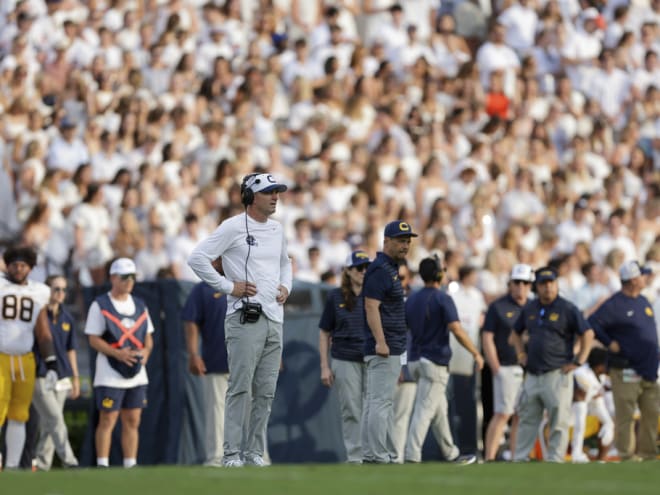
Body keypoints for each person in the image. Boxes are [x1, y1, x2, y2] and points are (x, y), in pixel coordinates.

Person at [187, 172, 292, 468]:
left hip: (274, 316)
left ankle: (255, 453)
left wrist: (287, 287)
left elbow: (286, 263)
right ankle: (231, 454)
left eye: (277, 192)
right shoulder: (232, 226)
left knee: (266, 391)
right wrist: (227, 286)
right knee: (240, 387)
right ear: (250, 196)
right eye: (269, 192)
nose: (275, 197)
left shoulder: (278, 229)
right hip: (245, 317)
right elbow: (197, 258)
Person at [404, 256, 484, 464]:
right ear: (439, 274)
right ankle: (412, 455)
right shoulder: (442, 298)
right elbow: (456, 329)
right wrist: (475, 352)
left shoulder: (411, 297)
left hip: (414, 359)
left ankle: (451, 453)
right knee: (424, 410)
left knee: (440, 409)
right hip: (434, 361)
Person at [511, 266, 594, 463]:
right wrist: (520, 353)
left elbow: (588, 333)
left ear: (556, 284)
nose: (548, 287)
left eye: (551, 283)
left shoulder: (567, 308)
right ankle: (520, 459)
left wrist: (579, 360)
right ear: (537, 287)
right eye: (543, 284)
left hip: (557, 373)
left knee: (558, 421)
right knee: (527, 419)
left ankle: (555, 461)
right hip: (532, 373)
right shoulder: (530, 308)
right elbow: (515, 332)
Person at [84, 257, 155, 468]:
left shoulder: (140, 305)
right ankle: (102, 464)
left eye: (132, 277)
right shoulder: (100, 304)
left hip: (137, 374)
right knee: (107, 420)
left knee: (133, 420)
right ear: (113, 278)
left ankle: (130, 464)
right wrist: (118, 354)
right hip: (109, 373)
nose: (129, 281)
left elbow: (149, 339)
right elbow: (93, 339)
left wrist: (143, 355)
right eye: (124, 277)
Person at [588, 261, 659, 461]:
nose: (646, 278)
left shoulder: (644, 301)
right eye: (642, 275)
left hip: (648, 369)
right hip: (626, 368)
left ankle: (648, 454)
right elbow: (592, 322)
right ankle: (627, 456)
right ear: (633, 280)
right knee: (626, 416)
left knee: (651, 413)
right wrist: (609, 342)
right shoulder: (614, 304)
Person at [362, 220, 417, 464]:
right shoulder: (381, 269)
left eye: (407, 241)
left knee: (376, 402)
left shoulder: (390, 269)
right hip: (385, 347)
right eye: (400, 240)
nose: (405, 245)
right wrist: (381, 341)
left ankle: (371, 453)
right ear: (386, 241)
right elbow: (371, 306)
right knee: (380, 402)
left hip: (390, 345)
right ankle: (377, 454)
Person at [0, 246, 58, 470]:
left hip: (25, 359)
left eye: (23, 265)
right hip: (2, 357)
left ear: (31, 268)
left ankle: (13, 467)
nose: (18, 268)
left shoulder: (39, 291)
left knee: (19, 414)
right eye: (14, 264)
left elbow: (42, 331)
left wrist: (51, 363)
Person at [318, 250, 370, 463]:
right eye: (359, 268)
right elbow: (324, 331)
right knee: (351, 410)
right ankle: (356, 456)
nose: (363, 272)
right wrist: (324, 366)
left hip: (372, 357)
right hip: (344, 358)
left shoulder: (375, 294)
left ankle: (373, 454)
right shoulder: (335, 296)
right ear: (348, 271)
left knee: (373, 410)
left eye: (367, 268)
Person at [482, 263, 534, 462]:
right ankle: (489, 457)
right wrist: (495, 366)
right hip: (506, 365)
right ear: (510, 284)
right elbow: (487, 337)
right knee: (503, 413)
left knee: (521, 415)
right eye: (517, 282)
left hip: (527, 368)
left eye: (525, 283)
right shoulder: (498, 306)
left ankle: (516, 456)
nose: (521, 287)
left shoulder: (533, 306)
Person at [181, 263, 229, 467]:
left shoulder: (251, 283)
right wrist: (193, 354)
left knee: (254, 410)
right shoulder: (203, 288)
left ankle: (257, 455)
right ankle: (216, 457)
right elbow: (191, 321)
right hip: (216, 360)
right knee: (216, 411)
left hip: (248, 361)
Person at [31, 275, 80, 471]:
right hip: (40, 373)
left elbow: (71, 349)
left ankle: (43, 465)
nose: (60, 293)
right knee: (55, 419)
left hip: (62, 375)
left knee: (50, 424)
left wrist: (75, 377)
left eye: (63, 290)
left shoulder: (67, 317)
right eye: (56, 289)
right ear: (47, 290)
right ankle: (70, 461)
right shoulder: (37, 315)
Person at [570, 347, 615, 463]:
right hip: (573, 407)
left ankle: (602, 456)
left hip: (590, 402)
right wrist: (594, 393)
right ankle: (576, 453)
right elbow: (581, 394)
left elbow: (596, 394)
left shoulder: (602, 376)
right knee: (581, 420)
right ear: (599, 365)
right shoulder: (581, 372)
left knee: (608, 423)